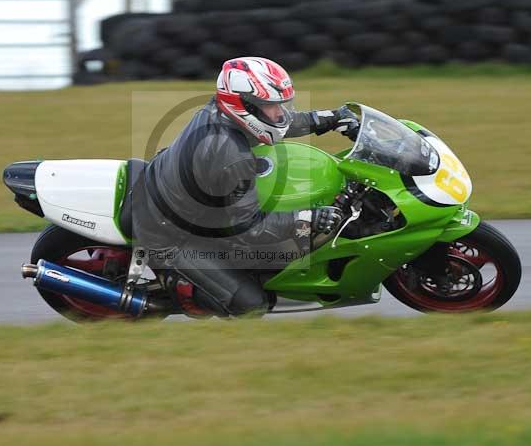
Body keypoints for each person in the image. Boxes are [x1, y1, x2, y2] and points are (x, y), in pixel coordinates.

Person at [131, 56, 360, 317]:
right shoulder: (231, 156)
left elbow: (280, 123)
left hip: (177, 195)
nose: (280, 112)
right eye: (271, 105)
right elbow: (250, 229)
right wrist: (308, 217)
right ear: (246, 106)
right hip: (169, 233)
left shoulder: (223, 110)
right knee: (251, 305)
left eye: (281, 104)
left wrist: (332, 118)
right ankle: (174, 284)